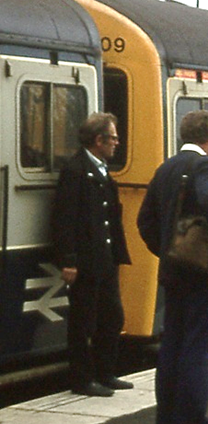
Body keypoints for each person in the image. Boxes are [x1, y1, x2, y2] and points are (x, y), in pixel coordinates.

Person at [137, 110, 208, 424]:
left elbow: (145, 221)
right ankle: (193, 423)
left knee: (172, 343)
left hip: (173, 271)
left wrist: (169, 251)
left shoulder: (166, 168)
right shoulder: (204, 165)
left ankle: (166, 419)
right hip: (201, 272)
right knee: (198, 346)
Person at [51, 112, 133, 397]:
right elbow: (65, 218)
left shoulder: (100, 169)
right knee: (83, 321)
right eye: (112, 138)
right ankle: (81, 379)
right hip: (85, 260)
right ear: (98, 140)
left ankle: (105, 372)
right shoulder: (75, 171)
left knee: (112, 317)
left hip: (105, 258)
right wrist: (69, 260)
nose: (116, 143)